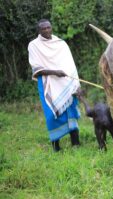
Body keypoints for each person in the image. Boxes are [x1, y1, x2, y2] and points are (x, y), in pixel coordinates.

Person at [28, 19, 81, 152]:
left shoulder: (61, 44)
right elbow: (36, 68)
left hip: (65, 82)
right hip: (47, 83)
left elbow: (70, 64)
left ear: (51, 28)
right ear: (39, 31)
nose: (46, 30)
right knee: (51, 114)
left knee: (70, 110)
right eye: (43, 29)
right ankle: (56, 146)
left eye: (48, 28)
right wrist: (54, 72)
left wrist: (76, 84)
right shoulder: (34, 45)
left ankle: (76, 142)